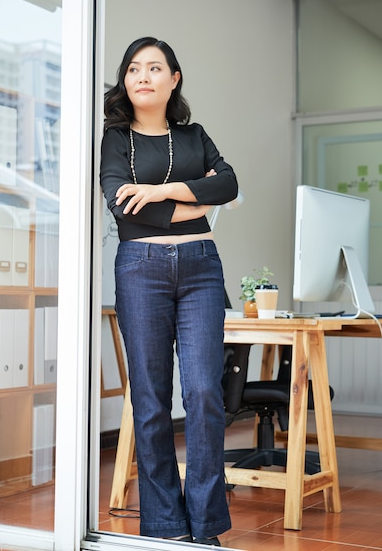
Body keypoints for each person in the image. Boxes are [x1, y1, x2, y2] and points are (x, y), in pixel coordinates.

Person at [100, 37, 238, 546]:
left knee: (204, 392)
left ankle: (204, 526)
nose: (143, 76)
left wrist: (157, 191)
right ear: (126, 81)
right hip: (141, 268)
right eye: (133, 69)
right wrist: (192, 201)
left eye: (154, 68)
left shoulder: (194, 134)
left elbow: (228, 184)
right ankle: (163, 526)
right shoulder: (117, 140)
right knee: (152, 400)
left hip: (202, 268)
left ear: (173, 78)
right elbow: (121, 206)